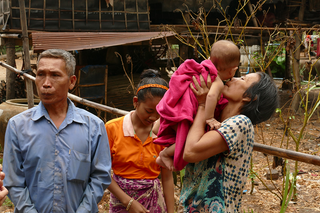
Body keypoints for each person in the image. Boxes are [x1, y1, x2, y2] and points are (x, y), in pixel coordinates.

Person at [3, 49, 112, 212]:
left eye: (55, 75)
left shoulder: (94, 127)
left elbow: (100, 177)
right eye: (41, 74)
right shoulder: (17, 126)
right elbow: (13, 181)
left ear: (72, 81)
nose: (46, 83)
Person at [181, 72, 279, 212]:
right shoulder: (218, 121)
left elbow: (190, 152)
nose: (233, 78)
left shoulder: (241, 123)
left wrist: (203, 104)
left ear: (249, 97)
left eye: (243, 79)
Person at [154, 40, 240, 171]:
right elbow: (210, 96)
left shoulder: (201, 68)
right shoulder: (217, 81)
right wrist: (210, 118)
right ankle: (165, 154)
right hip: (185, 111)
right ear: (232, 71)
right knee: (185, 140)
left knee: (181, 137)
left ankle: (165, 153)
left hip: (176, 106)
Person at [105, 69, 174, 213]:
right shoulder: (112, 129)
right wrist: (128, 202)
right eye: (149, 111)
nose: (154, 118)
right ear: (135, 102)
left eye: (160, 112)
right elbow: (102, 172)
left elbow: (167, 178)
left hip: (154, 203)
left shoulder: (164, 133)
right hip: (121, 203)